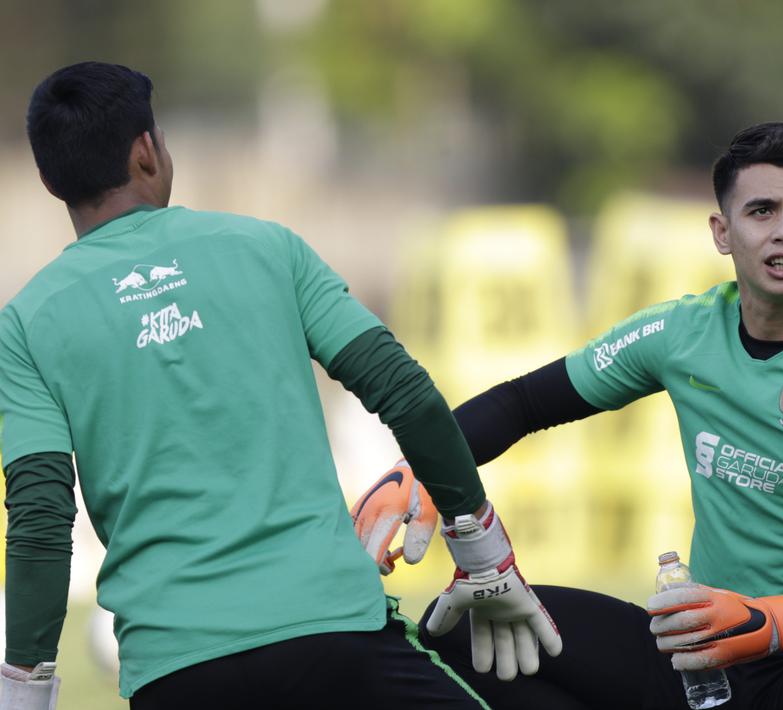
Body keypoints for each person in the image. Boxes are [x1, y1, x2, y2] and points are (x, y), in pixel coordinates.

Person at [0, 61, 559, 710]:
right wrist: (480, 545)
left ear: (48, 179)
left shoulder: (27, 322)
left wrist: (24, 694)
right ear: (147, 151)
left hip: (175, 670)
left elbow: (40, 519)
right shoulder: (267, 248)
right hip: (333, 635)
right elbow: (403, 392)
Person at [356, 122, 783, 709]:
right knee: (463, 624)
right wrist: (423, 470)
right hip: (701, 655)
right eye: (762, 210)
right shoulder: (680, 332)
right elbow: (523, 403)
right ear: (722, 231)